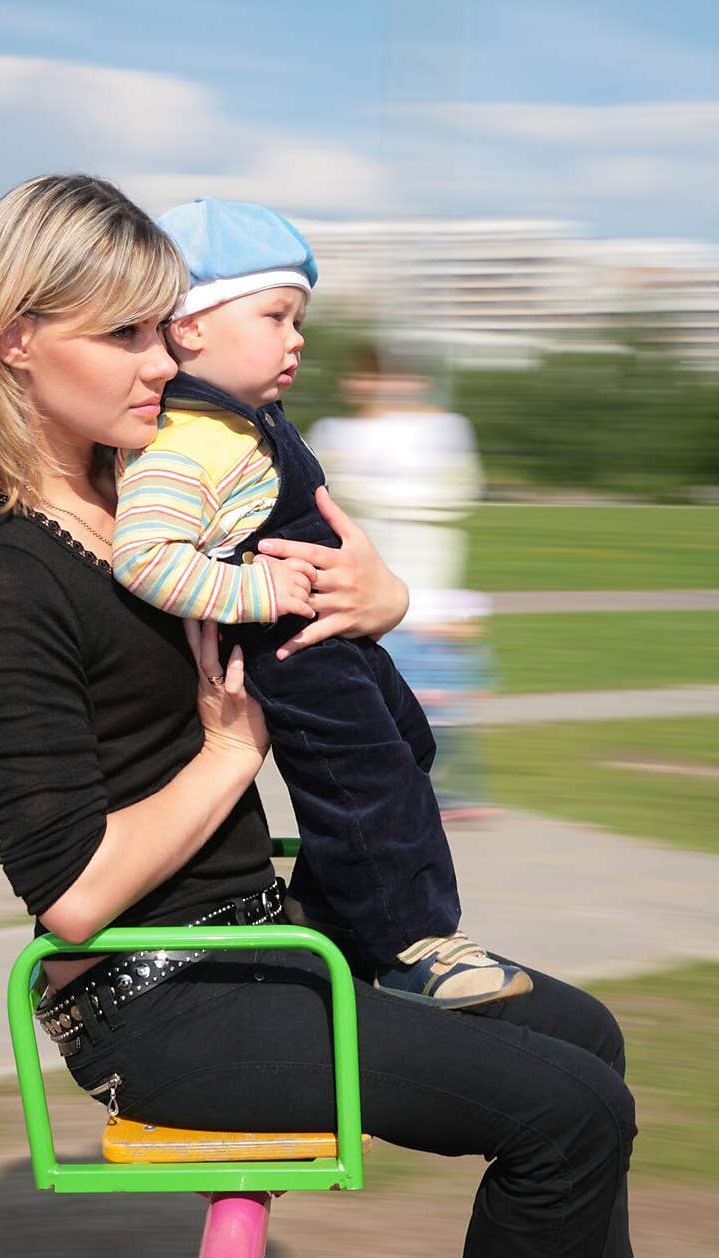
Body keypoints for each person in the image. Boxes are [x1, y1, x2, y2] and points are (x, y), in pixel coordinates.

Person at [0, 173, 649, 1258]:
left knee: (581, 1036)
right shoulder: (5, 572)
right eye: (122, 335)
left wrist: (386, 597)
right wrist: (226, 756)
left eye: (161, 330)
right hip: (154, 1000)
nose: (160, 363)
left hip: (268, 937)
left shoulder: (156, 490)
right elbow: (66, 895)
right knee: (568, 1114)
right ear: (16, 341)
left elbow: (333, 562)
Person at [111, 197, 525, 1009]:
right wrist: (254, 589)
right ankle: (414, 945)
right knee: (368, 778)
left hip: (330, 637)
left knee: (408, 745)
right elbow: (145, 556)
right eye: (275, 315)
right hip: (284, 654)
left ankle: (328, 906)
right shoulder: (186, 444)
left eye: (299, 319)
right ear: (190, 326)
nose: (296, 338)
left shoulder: (252, 424)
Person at [309, 343, 495, 819]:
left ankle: (427, 797)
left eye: (385, 377)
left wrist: (367, 488)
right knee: (377, 707)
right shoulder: (336, 432)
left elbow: (454, 495)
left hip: (426, 600)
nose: (373, 387)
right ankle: (404, 797)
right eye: (364, 377)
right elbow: (326, 496)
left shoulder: (442, 429)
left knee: (428, 709)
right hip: (368, 596)